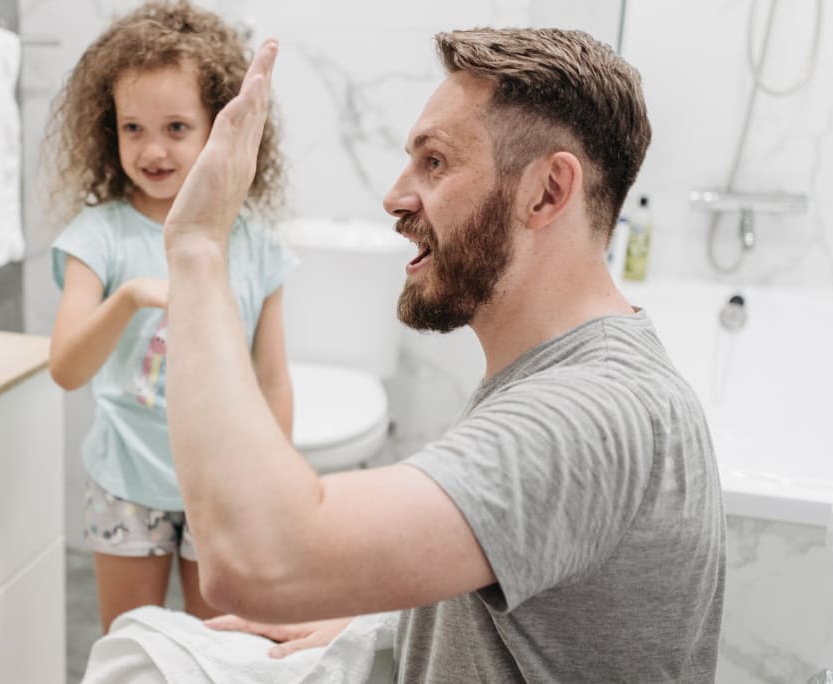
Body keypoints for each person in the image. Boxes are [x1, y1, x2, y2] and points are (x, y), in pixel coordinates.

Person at [163, 29, 726, 681]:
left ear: (545, 192)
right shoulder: (565, 372)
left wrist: (198, 246)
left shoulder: (586, 413)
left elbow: (253, 557)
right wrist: (379, 612)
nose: (395, 197)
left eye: (434, 162)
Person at [44, 1, 295, 633]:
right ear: (110, 129)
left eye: (177, 127)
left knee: (219, 654)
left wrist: (276, 483)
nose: (152, 149)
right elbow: (67, 368)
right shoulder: (96, 237)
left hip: (223, 486)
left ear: (219, 128)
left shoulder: (256, 242)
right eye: (133, 128)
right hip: (125, 482)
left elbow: (273, 380)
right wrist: (127, 298)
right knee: (133, 651)